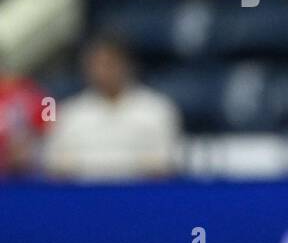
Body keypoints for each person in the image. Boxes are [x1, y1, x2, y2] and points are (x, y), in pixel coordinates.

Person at [41, 35, 183, 181]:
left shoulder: (157, 109)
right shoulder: (69, 113)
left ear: (127, 64)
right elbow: (55, 168)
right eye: (96, 64)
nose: (103, 71)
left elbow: (165, 165)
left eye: (110, 63)